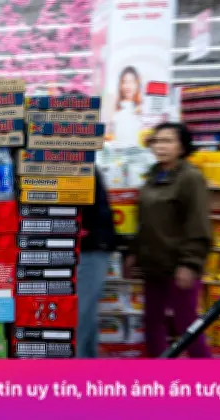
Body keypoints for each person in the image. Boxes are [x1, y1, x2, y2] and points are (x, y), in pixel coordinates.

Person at [127, 122, 212, 358]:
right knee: (152, 322)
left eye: (167, 141)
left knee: (187, 325)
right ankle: (160, 370)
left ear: (182, 146)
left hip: (179, 265)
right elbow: (144, 220)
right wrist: (133, 253)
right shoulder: (153, 175)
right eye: (157, 141)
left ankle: (209, 374)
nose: (160, 146)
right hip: (153, 265)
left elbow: (198, 222)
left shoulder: (191, 178)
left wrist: (190, 263)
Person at [76, 170, 116, 358]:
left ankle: (73, 370)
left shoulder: (81, 167)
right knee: (87, 317)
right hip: (90, 247)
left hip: (90, 248)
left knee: (79, 316)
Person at [112, 66, 143, 149]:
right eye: (124, 82)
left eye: (132, 82)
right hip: (117, 153)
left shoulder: (142, 109)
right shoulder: (115, 107)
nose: (128, 86)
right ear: (120, 85)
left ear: (137, 84)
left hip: (136, 153)